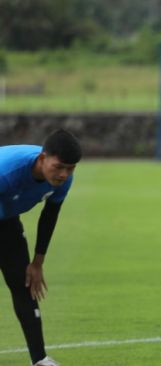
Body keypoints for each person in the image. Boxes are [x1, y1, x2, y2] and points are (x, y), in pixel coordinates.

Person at [0, 129, 82, 366]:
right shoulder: (7, 170)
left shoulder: (63, 181)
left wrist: (38, 262)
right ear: (43, 158)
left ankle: (39, 359)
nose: (64, 174)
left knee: (24, 284)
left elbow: (49, 215)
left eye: (71, 168)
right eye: (59, 167)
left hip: (6, 220)